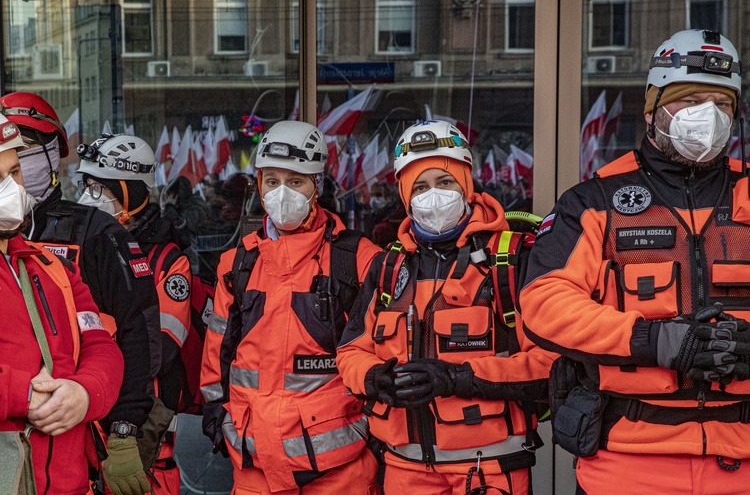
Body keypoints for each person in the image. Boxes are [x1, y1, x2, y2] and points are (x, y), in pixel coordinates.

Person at [519, 29, 750, 494]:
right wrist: (656, 339)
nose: (707, 116)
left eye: (722, 104)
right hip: (626, 465)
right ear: (652, 108)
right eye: (690, 100)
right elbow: (544, 303)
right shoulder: (593, 201)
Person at [336, 120, 554, 494]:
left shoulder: (513, 259)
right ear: (405, 195)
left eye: (445, 182)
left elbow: (551, 367)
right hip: (404, 469)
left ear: (466, 185)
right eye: (419, 187)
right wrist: (374, 378)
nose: (432, 196)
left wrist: (457, 378)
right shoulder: (389, 267)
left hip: (490, 471)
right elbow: (350, 351)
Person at [200, 120, 382, 494]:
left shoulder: (360, 260)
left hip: (340, 472)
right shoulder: (238, 264)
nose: (282, 193)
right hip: (254, 468)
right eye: (272, 181)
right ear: (260, 185)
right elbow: (216, 357)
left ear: (317, 185)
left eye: (296, 181)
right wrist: (219, 422)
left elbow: (381, 357)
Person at [0, 92, 160, 495]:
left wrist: (87, 395)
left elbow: (108, 343)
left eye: (16, 172)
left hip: (71, 478)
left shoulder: (53, 264)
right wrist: (25, 394)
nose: (13, 188)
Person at [77, 133, 193, 494]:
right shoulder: (85, 247)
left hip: (144, 424)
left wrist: (98, 333)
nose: (90, 197)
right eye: (88, 185)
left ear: (134, 192)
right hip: (89, 413)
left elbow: (156, 347)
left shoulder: (168, 261)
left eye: (102, 188)